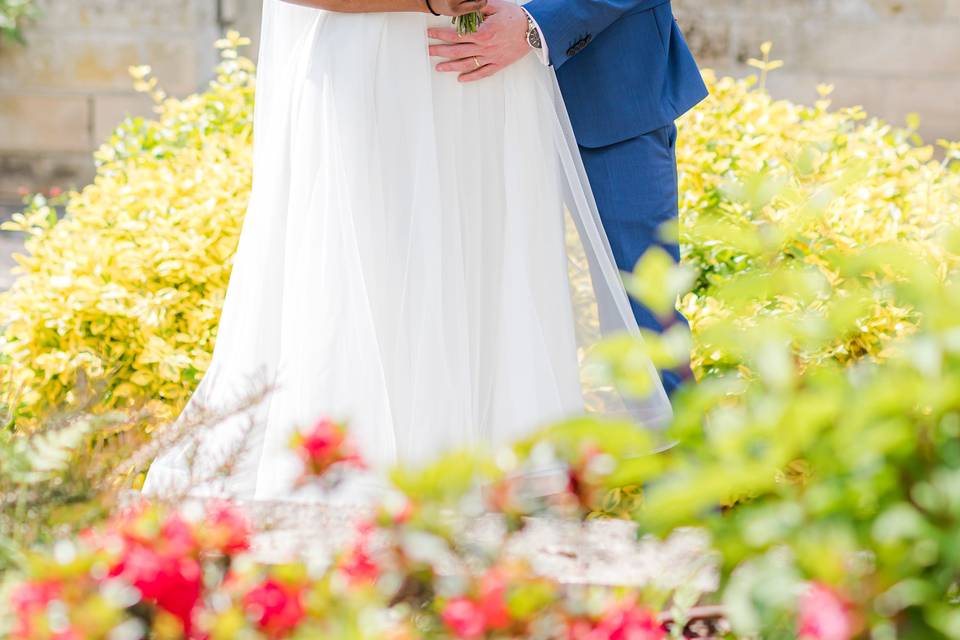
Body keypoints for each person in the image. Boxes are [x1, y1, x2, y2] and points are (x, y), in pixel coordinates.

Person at [141, 0, 673, 504]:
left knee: (620, 313)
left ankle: (687, 548)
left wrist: (539, 22)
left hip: (577, 74)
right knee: (374, 292)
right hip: (388, 75)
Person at [430, 0, 709, 395]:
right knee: (468, 304)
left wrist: (538, 25)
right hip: (456, 89)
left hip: (611, 87)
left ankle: (675, 451)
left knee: (643, 318)